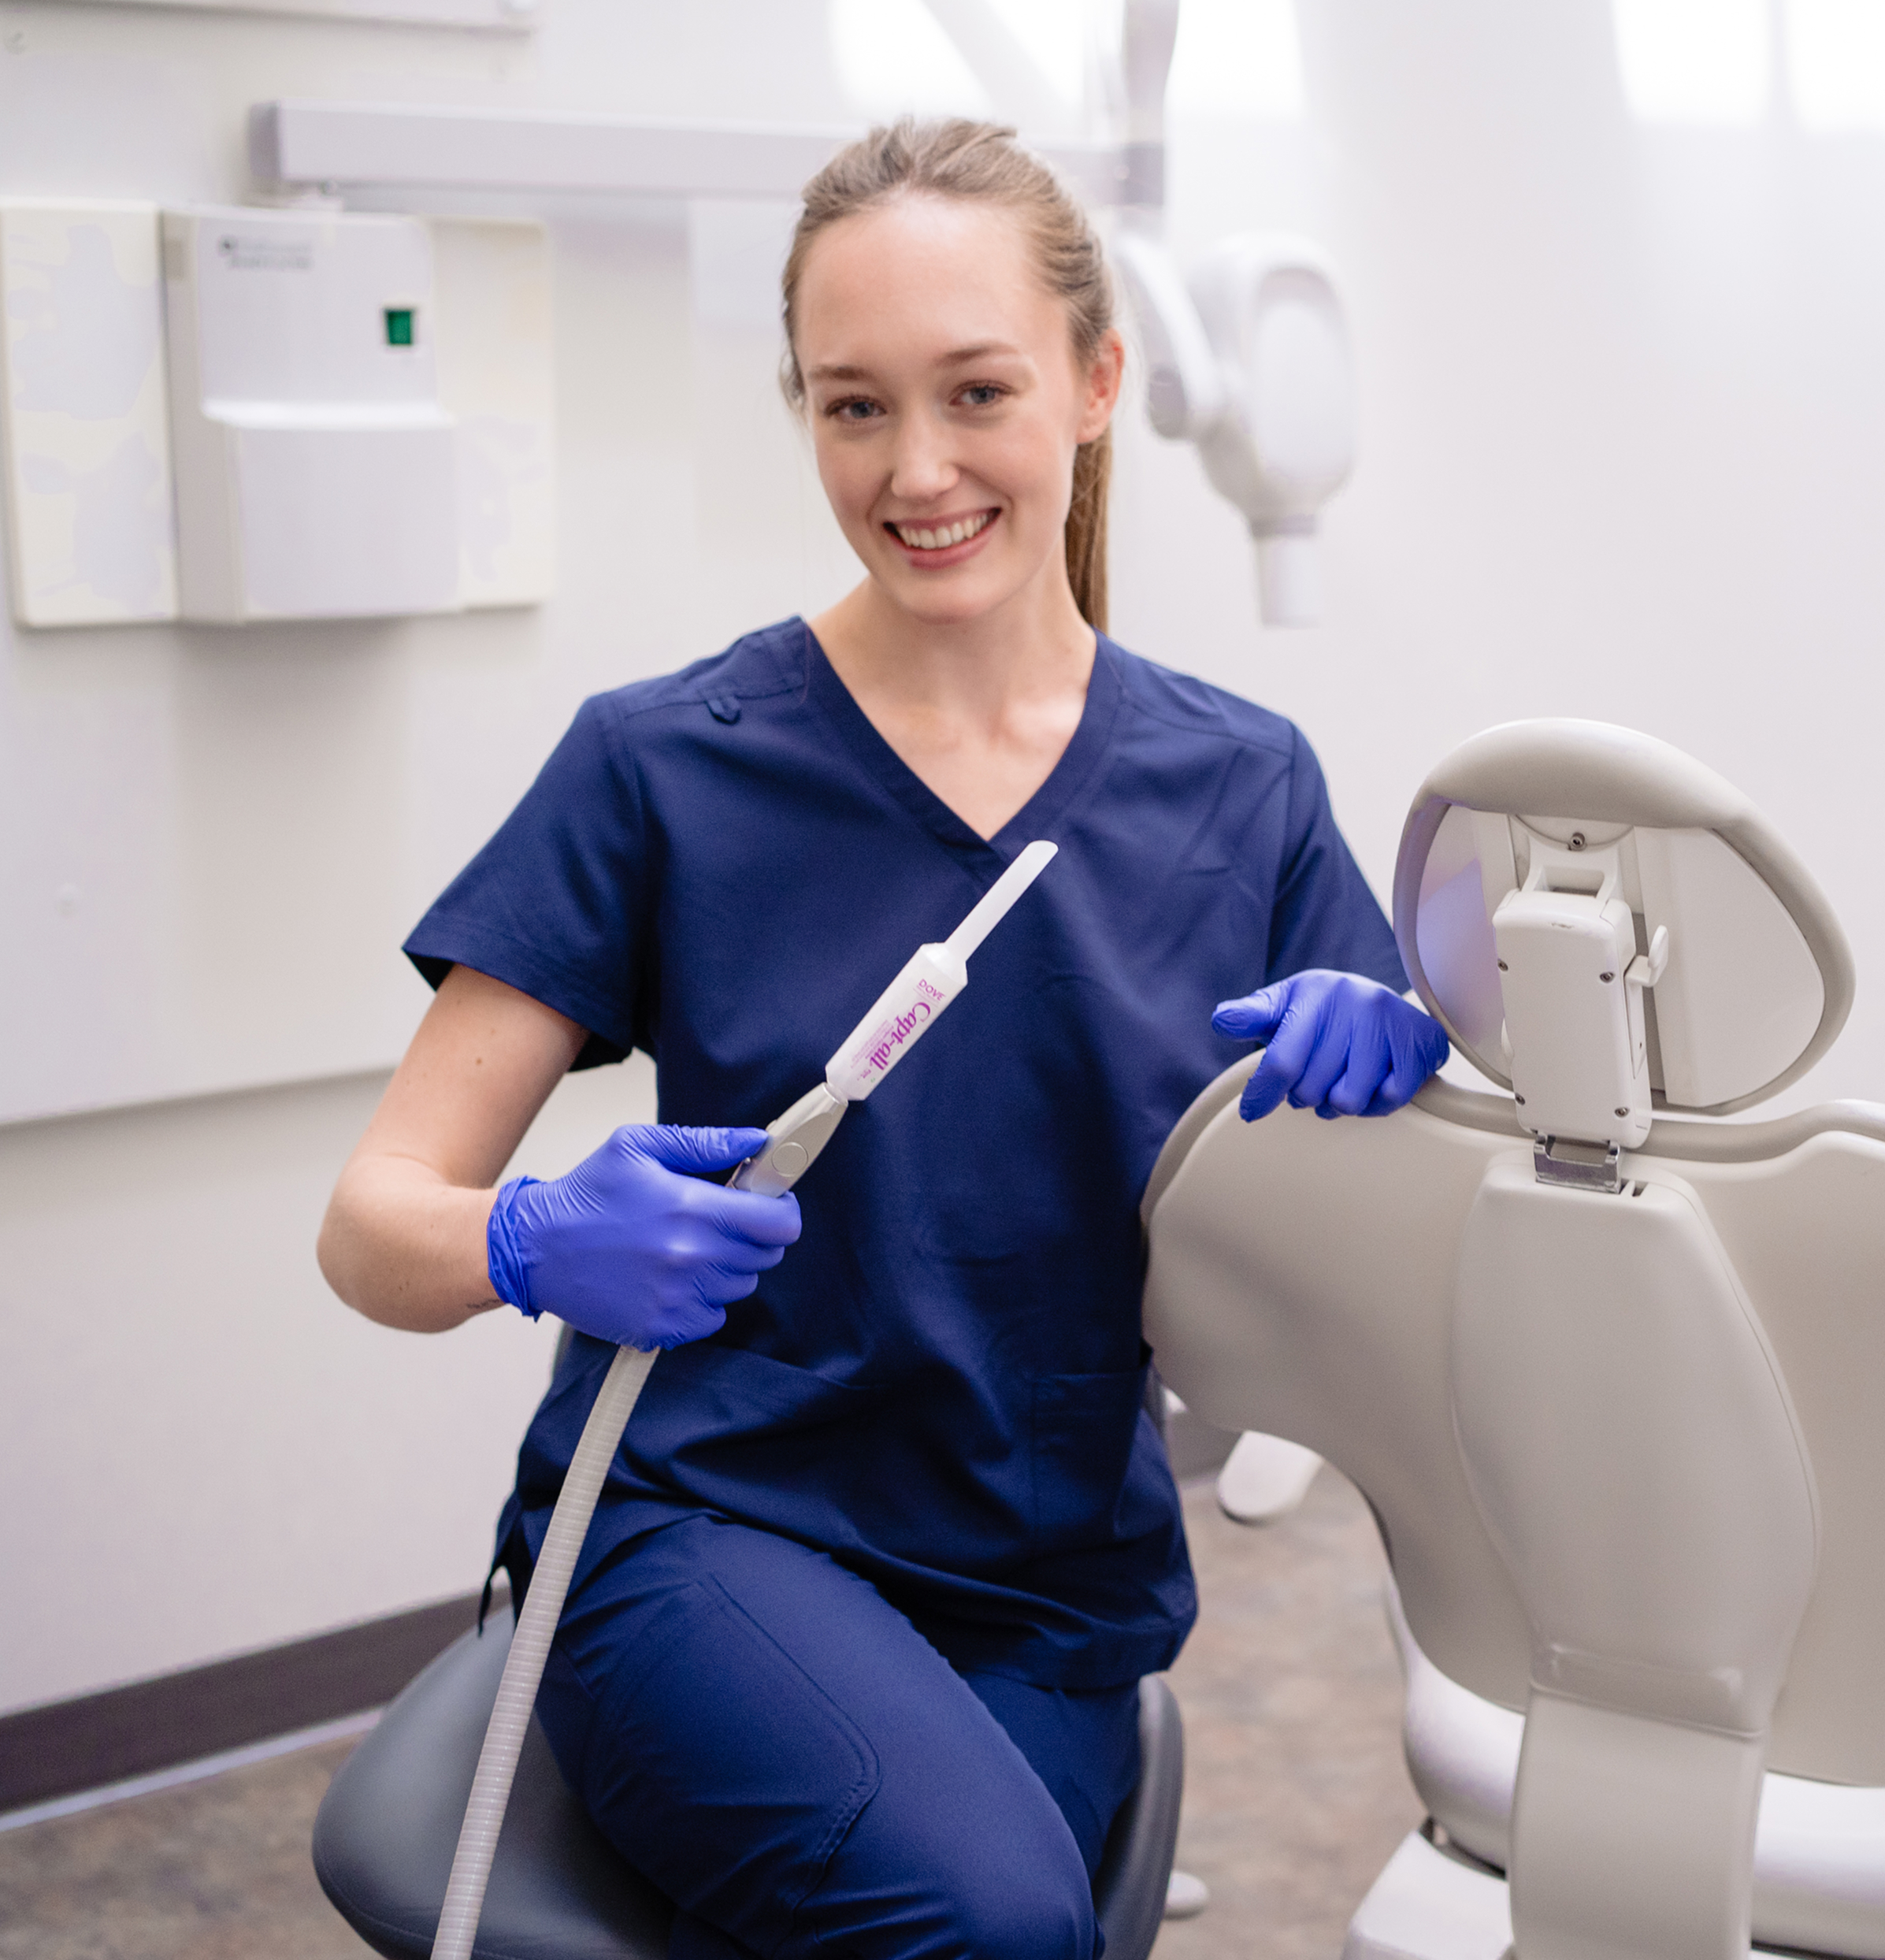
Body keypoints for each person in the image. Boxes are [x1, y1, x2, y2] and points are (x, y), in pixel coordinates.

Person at [319, 117, 1450, 1960]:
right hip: (705, 1534)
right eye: (853, 408)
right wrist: (524, 1238)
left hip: (1042, 1585)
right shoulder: (668, 763)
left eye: (975, 390)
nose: (915, 469)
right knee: (993, 1928)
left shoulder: (1235, 789)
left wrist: (1393, 1069)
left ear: (1095, 382)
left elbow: (1386, 1266)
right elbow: (371, 1222)